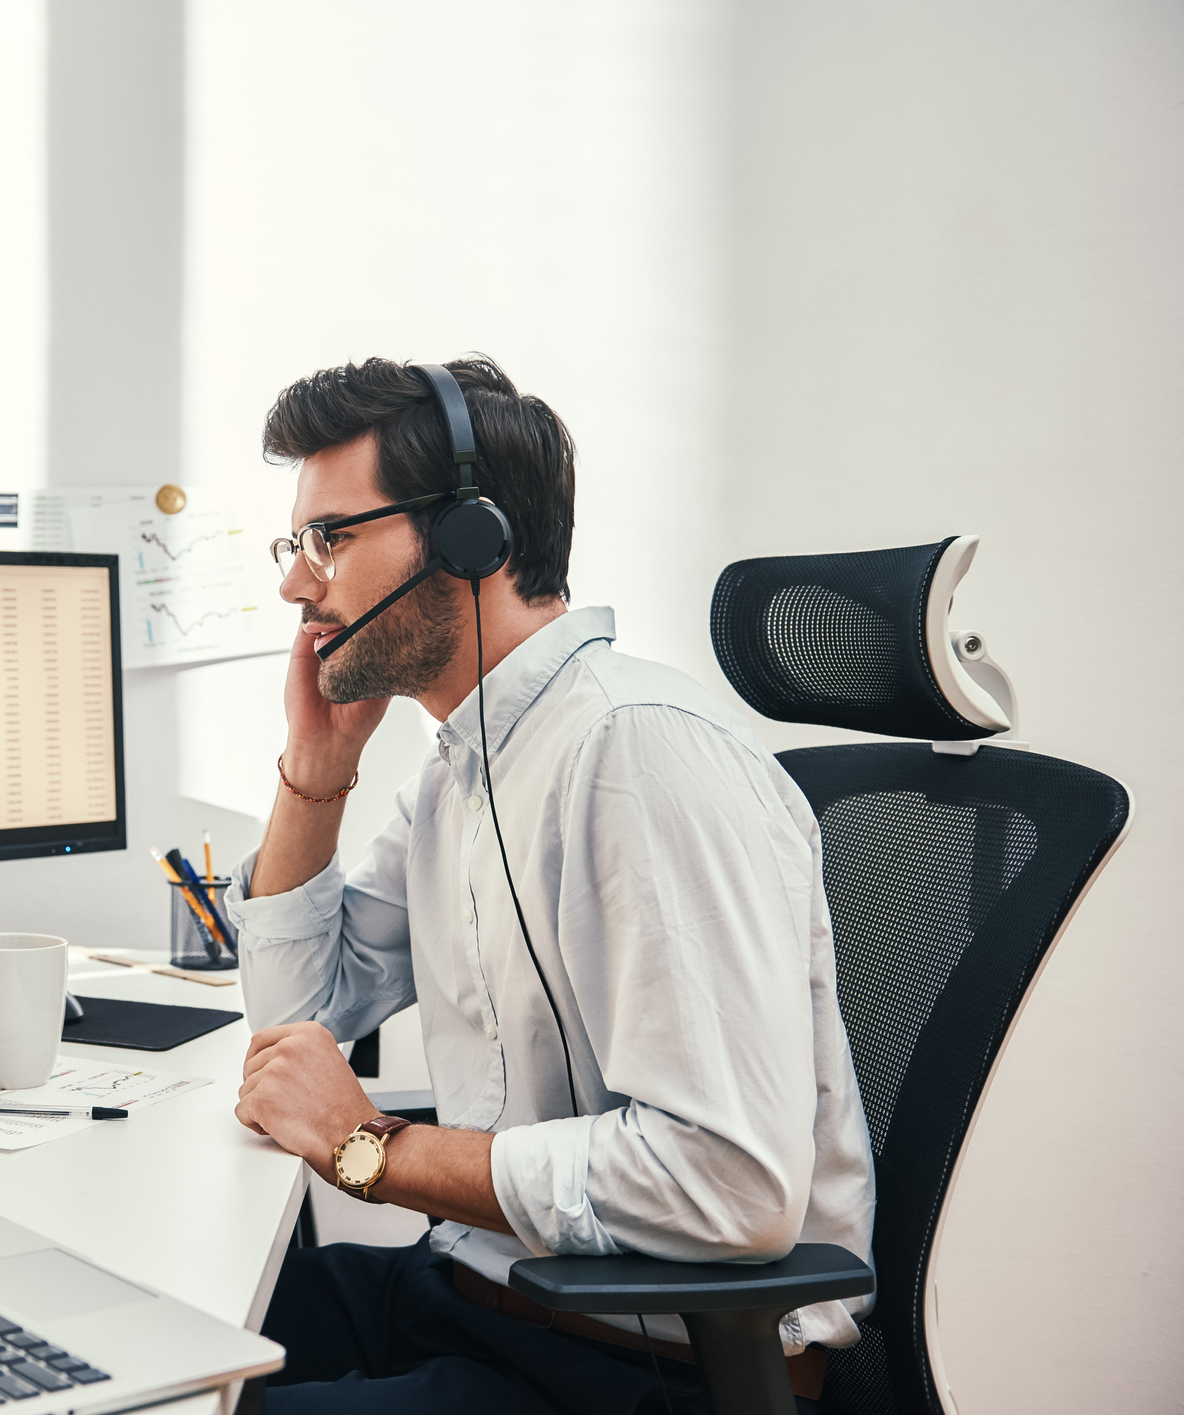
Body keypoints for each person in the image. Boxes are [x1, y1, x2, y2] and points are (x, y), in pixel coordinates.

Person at [223, 356, 876, 1414]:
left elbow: (731, 1184)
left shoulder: (636, 752)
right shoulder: (464, 766)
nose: (298, 583)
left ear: (472, 535)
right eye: (298, 544)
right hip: (475, 1297)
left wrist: (376, 1152)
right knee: (127, 1346)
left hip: (633, 1371)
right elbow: (293, 1027)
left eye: (330, 537)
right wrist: (317, 768)